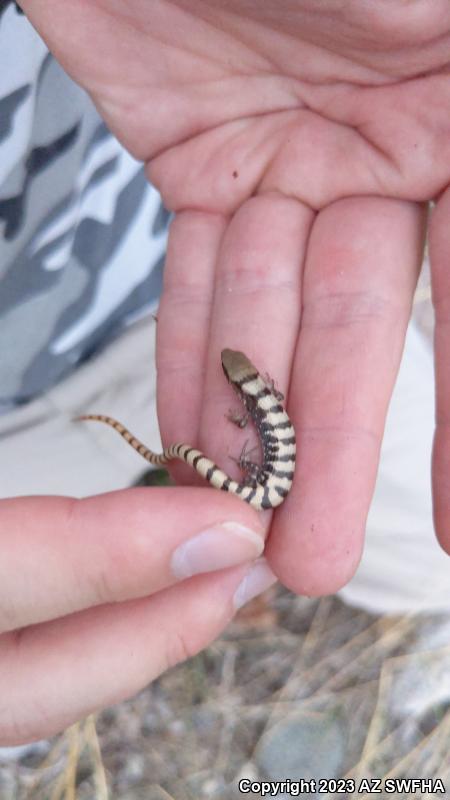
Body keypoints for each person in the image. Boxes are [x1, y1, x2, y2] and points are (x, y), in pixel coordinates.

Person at [1, 0, 449, 746]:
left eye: (240, 380)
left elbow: (269, 426)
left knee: (418, 564)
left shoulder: (252, 395)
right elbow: (265, 421)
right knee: (48, 641)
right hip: (27, 423)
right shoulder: (253, 397)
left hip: (189, 244)